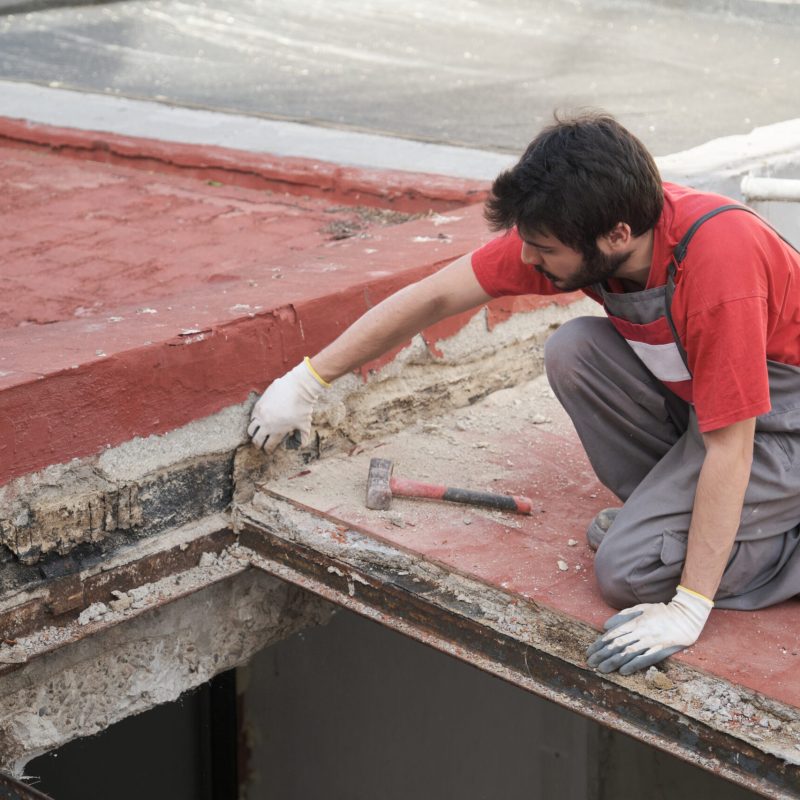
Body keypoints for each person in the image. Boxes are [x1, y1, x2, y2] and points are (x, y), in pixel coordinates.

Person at [248, 111, 800, 676]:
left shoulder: (716, 267)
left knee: (628, 572)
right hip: (715, 407)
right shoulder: (587, 224)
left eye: (543, 248)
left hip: (784, 424)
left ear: (617, 235)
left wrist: (689, 605)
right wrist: (310, 380)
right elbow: (436, 297)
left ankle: (781, 545)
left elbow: (730, 446)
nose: (529, 259)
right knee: (575, 349)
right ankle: (678, 523)